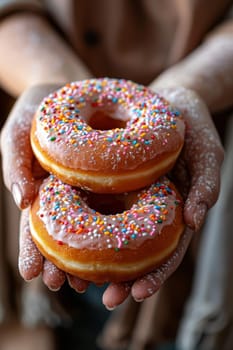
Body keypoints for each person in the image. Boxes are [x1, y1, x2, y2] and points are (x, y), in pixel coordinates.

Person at [0, 0, 232, 349]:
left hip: (197, 133)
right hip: (50, 134)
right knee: (65, 321)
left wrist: (193, 84)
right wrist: (50, 78)